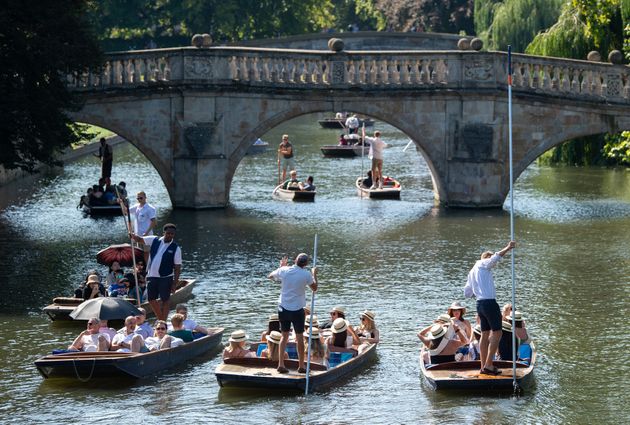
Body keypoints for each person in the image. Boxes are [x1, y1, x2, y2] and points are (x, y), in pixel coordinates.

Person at [463, 240, 516, 375]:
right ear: (486, 258)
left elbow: (467, 293)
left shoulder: (472, 271)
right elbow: (496, 257)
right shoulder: (483, 264)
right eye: (492, 263)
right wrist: (509, 247)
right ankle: (488, 365)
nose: (494, 265)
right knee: (498, 332)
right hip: (489, 303)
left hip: (479, 304)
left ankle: (483, 366)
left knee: (485, 334)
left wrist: (478, 290)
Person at [267, 252, 318, 374]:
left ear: (295, 261)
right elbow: (314, 288)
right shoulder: (306, 274)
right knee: (299, 337)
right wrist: (314, 274)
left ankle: (281, 364)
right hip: (297, 310)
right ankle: (301, 366)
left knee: (284, 336)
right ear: (305, 264)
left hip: (283, 309)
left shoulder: (284, 270)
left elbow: (270, 276)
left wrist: (281, 267)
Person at [130, 223, 182, 321]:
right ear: (164, 232)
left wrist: (175, 283)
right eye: (168, 233)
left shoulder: (176, 248)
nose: (170, 235)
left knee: (165, 300)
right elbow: (139, 239)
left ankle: (162, 321)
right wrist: (132, 235)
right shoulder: (154, 239)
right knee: (151, 299)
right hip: (152, 276)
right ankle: (161, 319)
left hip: (166, 277)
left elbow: (177, 267)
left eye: (172, 234)